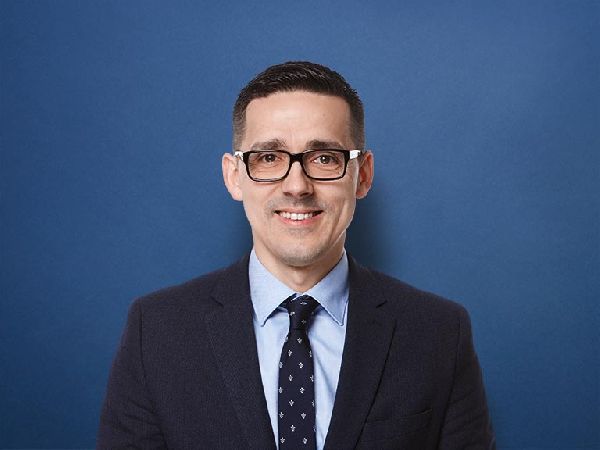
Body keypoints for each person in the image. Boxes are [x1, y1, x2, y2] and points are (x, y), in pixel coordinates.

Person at [97, 61, 495, 449]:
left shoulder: (439, 333)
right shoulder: (157, 332)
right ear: (234, 176)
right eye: (269, 158)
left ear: (363, 175)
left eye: (324, 158)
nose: (297, 186)